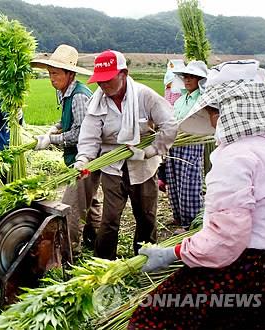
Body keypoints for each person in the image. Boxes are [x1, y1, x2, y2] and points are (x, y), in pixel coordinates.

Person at [129, 60, 265, 329]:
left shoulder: (236, 156)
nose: (212, 120)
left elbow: (226, 240)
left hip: (251, 268)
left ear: (226, 112)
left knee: (152, 315)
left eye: (212, 113)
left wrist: (174, 253)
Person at [75, 49, 178, 260]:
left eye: (108, 79)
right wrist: (83, 160)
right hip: (112, 167)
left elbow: (169, 125)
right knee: (110, 219)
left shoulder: (144, 96)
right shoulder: (97, 102)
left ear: (124, 73)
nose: (103, 85)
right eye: (100, 81)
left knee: (146, 217)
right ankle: (103, 263)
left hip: (143, 168)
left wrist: (150, 151)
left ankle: (146, 260)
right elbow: (89, 137)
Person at [31, 44, 103, 252]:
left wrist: (51, 141)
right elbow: (69, 121)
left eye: (55, 73)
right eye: (49, 73)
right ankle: (95, 240)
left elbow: (82, 134)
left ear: (69, 73)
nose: (51, 78)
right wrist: (55, 127)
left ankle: (69, 249)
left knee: (71, 205)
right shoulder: (65, 92)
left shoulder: (79, 96)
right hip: (77, 157)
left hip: (87, 159)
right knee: (90, 201)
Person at [166, 60, 208, 234]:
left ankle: (190, 223)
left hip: (192, 143)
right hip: (176, 143)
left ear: (200, 79)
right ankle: (178, 216)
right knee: (173, 180)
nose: (187, 80)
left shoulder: (203, 99)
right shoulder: (181, 99)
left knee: (189, 182)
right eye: (185, 76)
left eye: (191, 76)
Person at [158, 59, 184, 193]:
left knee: (173, 158)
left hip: (180, 128)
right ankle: (163, 179)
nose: (168, 85)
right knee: (165, 155)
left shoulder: (181, 89)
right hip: (169, 126)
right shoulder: (168, 89)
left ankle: (164, 179)